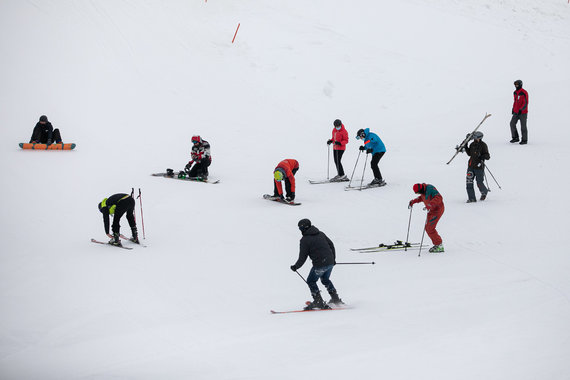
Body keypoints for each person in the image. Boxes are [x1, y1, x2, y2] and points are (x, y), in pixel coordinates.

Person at [290, 219, 343, 310]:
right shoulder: (321, 233)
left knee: (311, 281)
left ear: (304, 228)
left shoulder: (305, 240)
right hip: (330, 262)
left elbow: (303, 257)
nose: (300, 230)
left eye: (300, 228)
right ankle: (335, 298)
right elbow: (331, 245)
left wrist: (296, 266)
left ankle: (318, 301)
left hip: (320, 264)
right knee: (325, 279)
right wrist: (333, 259)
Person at [408, 183, 445, 253]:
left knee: (430, 228)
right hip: (431, 210)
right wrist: (413, 201)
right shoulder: (423, 191)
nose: (418, 194)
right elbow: (421, 198)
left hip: (437, 210)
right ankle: (437, 244)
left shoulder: (430, 188)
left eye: (418, 192)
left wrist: (430, 204)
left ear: (420, 189)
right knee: (428, 228)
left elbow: (439, 197)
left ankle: (439, 245)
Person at [464, 131, 490, 202]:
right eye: (474, 138)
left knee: (479, 182)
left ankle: (484, 191)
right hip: (471, 166)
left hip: (479, 167)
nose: (475, 139)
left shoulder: (483, 145)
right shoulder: (472, 144)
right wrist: (465, 146)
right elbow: (469, 153)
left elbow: (487, 156)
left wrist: (481, 156)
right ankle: (472, 198)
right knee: (469, 182)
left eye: (476, 137)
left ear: (479, 138)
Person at [510, 79, 529, 145]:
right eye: (515, 84)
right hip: (516, 112)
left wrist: (521, 109)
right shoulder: (515, 92)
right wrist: (513, 108)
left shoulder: (524, 92)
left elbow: (526, 103)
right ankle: (515, 137)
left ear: (520, 84)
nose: (516, 86)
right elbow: (515, 101)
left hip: (523, 113)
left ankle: (524, 139)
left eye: (517, 84)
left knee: (523, 126)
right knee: (512, 123)